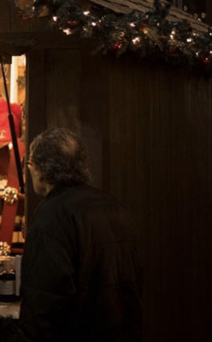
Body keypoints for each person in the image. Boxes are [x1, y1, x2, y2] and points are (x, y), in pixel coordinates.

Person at [19, 128, 143, 342]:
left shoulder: (52, 215)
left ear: (39, 170)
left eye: (29, 165)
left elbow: (44, 300)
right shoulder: (114, 207)